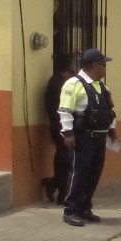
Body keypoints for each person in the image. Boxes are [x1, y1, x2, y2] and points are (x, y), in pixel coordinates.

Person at [58, 48, 117, 227]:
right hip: (82, 137)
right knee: (79, 174)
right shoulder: (73, 84)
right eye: (103, 65)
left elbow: (109, 111)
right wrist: (68, 134)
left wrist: (112, 129)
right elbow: (65, 111)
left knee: (94, 174)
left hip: (99, 138)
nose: (105, 69)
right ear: (93, 65)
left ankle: (85, 208)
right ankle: (71, 210)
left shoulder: (101, 86)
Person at [42, 54, 72, 204]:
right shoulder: (61, 83)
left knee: (63, 157)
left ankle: (55, 186)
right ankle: (58, 189)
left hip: (56, 123)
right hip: (61, 124)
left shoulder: (54, 81)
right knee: (65, 158)